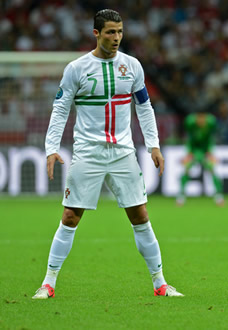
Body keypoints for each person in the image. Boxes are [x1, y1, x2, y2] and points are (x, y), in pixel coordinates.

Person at [32, 9, 183, 299]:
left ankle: (160, 284)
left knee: (140, 215)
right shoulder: (77, 68)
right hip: (88, 152)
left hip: (123, 152)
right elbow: (61, 108)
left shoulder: (132, 66)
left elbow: (144, 107)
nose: (116, 38)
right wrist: (51, 148)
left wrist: (153, 144)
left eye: (120, 32)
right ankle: (48, 283)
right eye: (111, 32)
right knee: (70, 216)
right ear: (96, 34)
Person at [177, 110, 224, 206]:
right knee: (186, 169)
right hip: (194, 150)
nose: (201, 121)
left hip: (205, 150)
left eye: (203, 118)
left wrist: (210, 153)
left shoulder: (211, 122)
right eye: (199, 118)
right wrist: (189, 153)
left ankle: (219, 196)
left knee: (212, 170)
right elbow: (189, 138)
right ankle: (181, 195)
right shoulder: (190, 122)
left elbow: (210, 138)